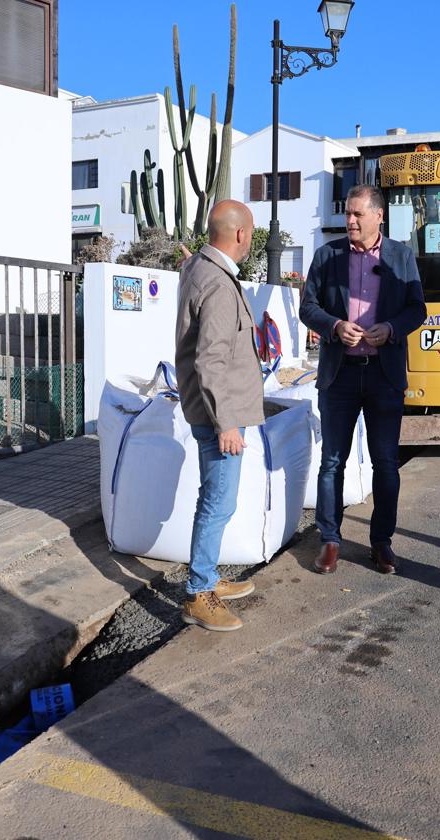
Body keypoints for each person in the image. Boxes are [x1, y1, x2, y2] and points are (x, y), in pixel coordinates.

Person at [300, 184, 427, 575]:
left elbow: (417, 308)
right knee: (332, 462)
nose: (349, 221)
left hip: (384, 376)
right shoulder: (327, 255)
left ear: (378, 216)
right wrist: (335, 325)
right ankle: (330, 540)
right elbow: (308, 307)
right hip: (339, 376)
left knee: (386, 464)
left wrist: (390, 328)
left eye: (357, 215)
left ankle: (381, 543)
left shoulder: (402, 257)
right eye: (347, 214)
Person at [175, 199, 263, 631]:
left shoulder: (199, 270)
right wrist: (226, 421)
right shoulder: (218, 283)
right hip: (218, 415)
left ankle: (206, 577)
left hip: (207, 409)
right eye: (250, 231)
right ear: (242, 235)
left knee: (212, 499)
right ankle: (198, 594)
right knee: (217, 505)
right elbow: (211, 360)